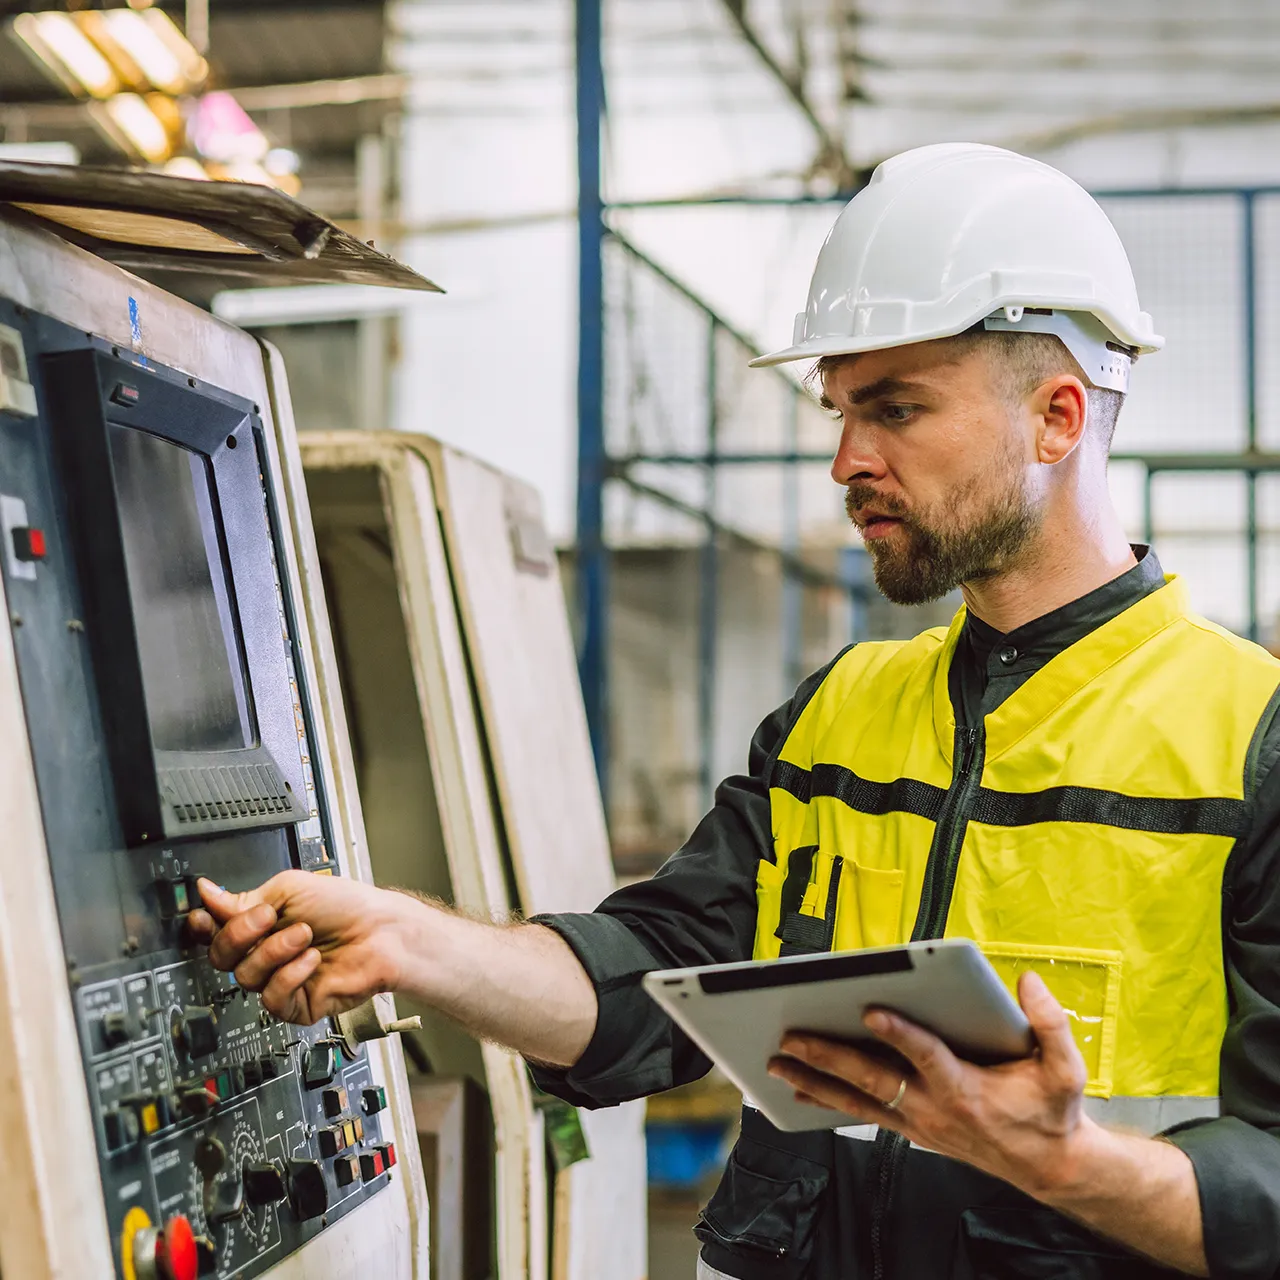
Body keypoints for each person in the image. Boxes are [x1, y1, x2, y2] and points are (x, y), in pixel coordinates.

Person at [189, 144, 1280, 1280]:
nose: (847, 459)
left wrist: (1066, 1166)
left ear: (1057, 417)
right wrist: (410, 942)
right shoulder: (838, 716)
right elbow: (654, 988)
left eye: (895, 407)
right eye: (840, 410)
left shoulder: (1248, 740)